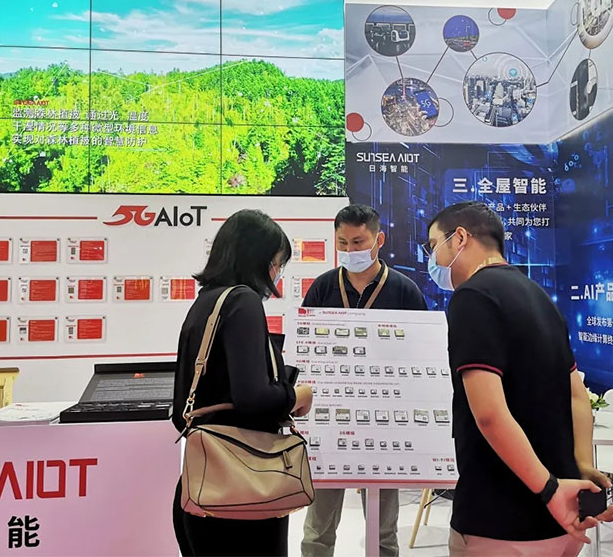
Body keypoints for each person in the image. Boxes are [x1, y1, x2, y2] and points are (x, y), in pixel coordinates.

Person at [424, 202, 613, 557]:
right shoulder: (540, 297)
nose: (432, 259)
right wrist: (581, 465)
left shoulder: (472, 297)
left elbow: (489, 414)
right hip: (563, 521)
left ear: (460, 238)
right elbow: (577, 395)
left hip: (502, 521)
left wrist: (549, 490)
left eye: (434, 245)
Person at [172, 209, 314, 557]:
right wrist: (296, 395)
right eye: (278, 263)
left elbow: (182, 411)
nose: (277, 273)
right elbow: (252, 397)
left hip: (202, 485)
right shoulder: (243, 301)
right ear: (261, 260)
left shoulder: (206, 302)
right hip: (243, 489)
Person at [301, 204, 427, 557]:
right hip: (329, 418)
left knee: (384, 531)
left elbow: (422, 353)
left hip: (385, 420)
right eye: (342, 243)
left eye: (358, 242)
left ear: (378, 240)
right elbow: (305, 347)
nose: (350, 250)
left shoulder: (404, 290)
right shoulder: (323, 287)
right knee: (317, 529)